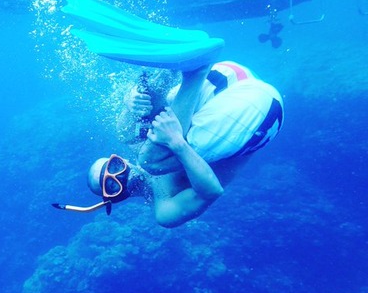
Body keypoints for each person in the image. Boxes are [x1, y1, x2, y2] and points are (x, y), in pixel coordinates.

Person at [82, 61, 284, 227]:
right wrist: (178, 143)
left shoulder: (145, 151)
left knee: (127, 132)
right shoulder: (165, 211)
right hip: (253, 120)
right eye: (110, 184)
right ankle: (194, 71)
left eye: (114, 166)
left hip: (227, 80)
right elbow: (212, 191)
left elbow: (133, 125)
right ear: (115, 198)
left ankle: (179, 65)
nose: (119, 175)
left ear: (121, 160)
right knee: (150, 160)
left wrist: (132, 100)